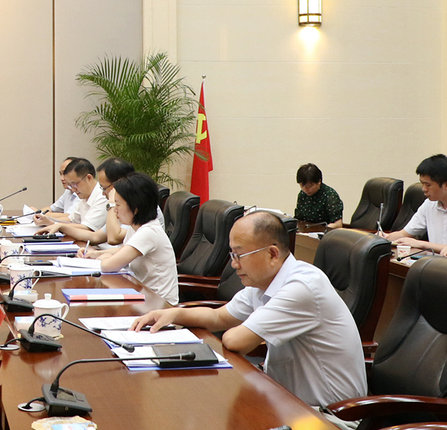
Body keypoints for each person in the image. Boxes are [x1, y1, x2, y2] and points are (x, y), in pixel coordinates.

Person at [131, 211, 366, 410]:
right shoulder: (263, 282)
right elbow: (219, 316)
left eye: (239, 255)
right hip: (286, 398)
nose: (234, 264)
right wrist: (174, 313)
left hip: (328, 416)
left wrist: (235, 330)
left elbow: (236, 340)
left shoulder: (302, 287)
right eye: (232, 255)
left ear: (272, 254)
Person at [78, 172, 178, 305]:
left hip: (159, 305)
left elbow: (107, 266)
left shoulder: (148, 232)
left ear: (135, 208)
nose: (114, 210)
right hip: (142, 295)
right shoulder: (136, 227)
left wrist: (105, 258)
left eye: (117, 205)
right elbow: (124, 250)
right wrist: (96, 253)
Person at [33, 158, 108, 245]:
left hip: (99, 248)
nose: (73, 189)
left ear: (89, 178)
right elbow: (71, 220)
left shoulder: (102, 196)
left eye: (75, 184)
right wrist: (50, 223)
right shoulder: (84, 195)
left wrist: (57, 225)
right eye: (70, 185)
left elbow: (87, 229)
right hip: (84, 245)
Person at [383, 154, 447, 254]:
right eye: (422, 184)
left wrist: (421, 244)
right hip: (435, 261)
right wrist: (384, 238)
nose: (424, 189)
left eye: (428, 185)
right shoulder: (429, 204)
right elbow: (404, 234)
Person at [293, 163, 344, 229]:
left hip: (325, 233)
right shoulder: (302, 194)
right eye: (302, 186)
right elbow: (298, 219)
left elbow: (338, 224)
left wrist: (322, 229)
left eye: (309, 186)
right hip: (305, 232)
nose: (305, 189)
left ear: (319, 182)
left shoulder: (330, 195)